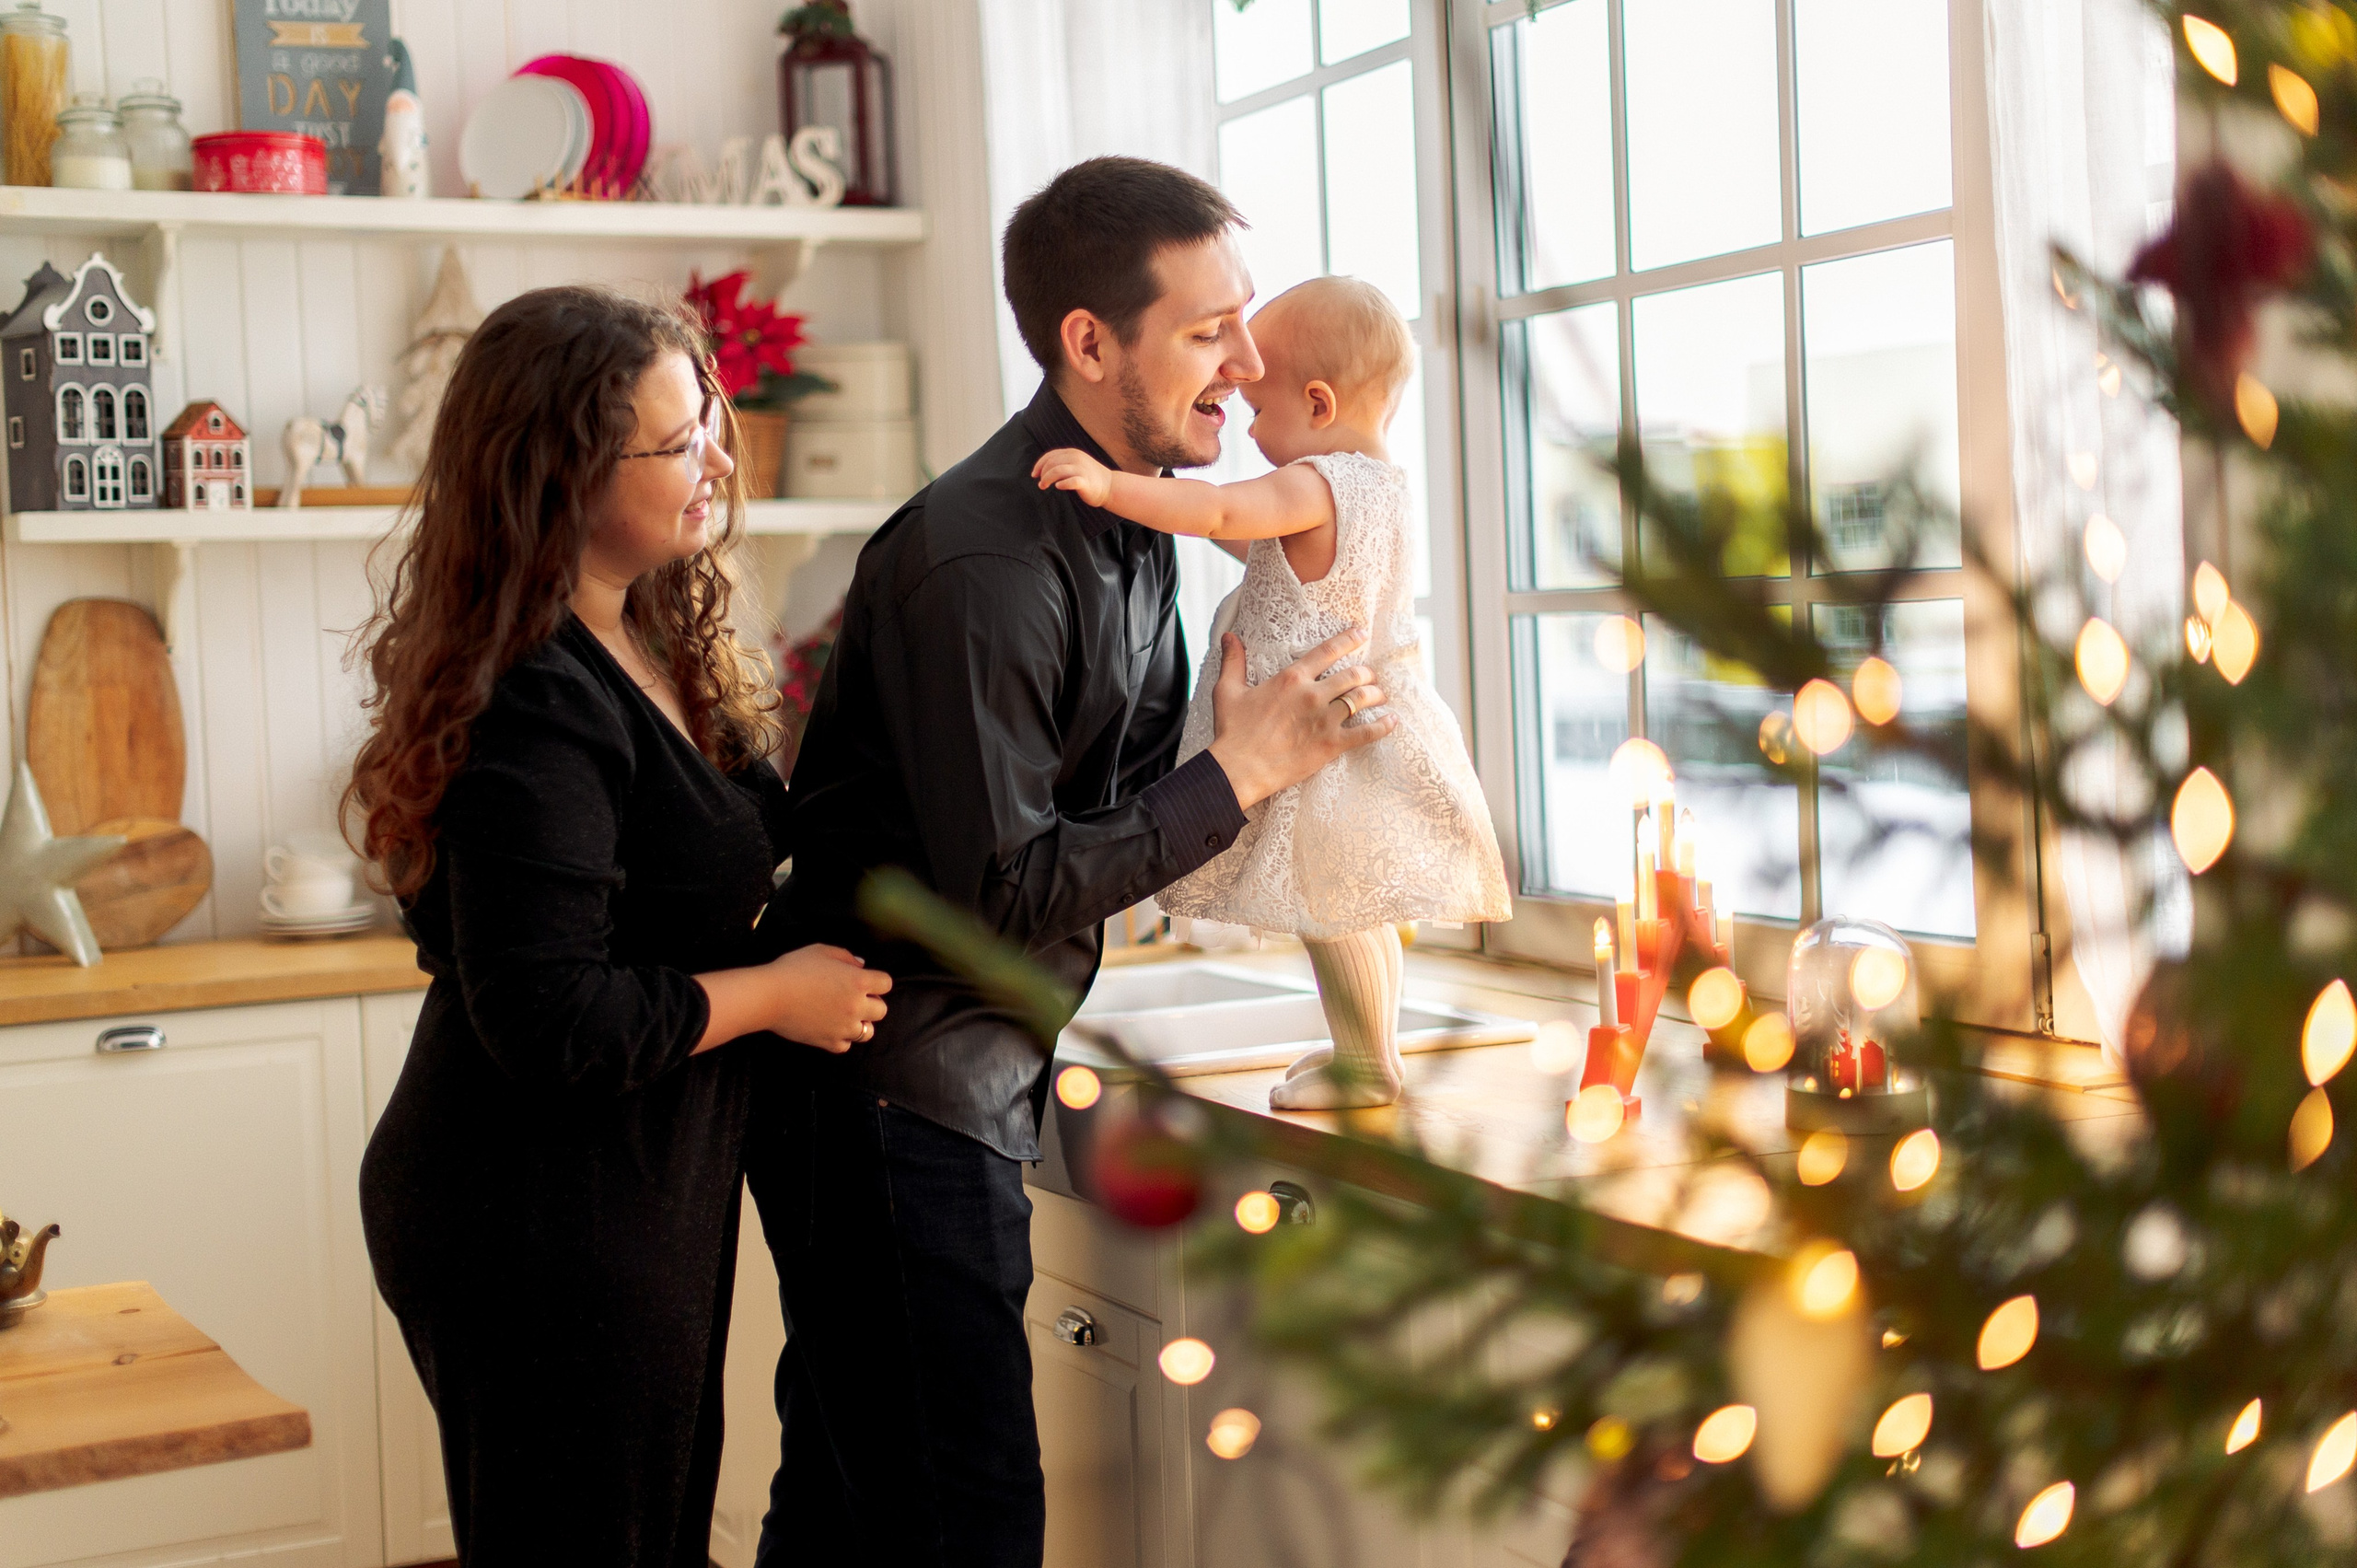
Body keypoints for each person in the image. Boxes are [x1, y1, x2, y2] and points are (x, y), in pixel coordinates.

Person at [745, 157, 1397, 1564]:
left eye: (1246, 320)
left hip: (937, 1083)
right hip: (886, 1097)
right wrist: (1239, 774)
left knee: (855, 1509)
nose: (1250, 357)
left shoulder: (1131, 515)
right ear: (1087, 343)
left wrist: (1214, 768)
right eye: (1209, 327)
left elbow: (1052, 813)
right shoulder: (984, 560)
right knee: (960, 1525)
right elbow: (1001, 892)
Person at [346, 285, 893, 1567]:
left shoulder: (642, 628)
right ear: (560, 473)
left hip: (626, 1185)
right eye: (669, 441)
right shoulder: (540, 698)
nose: (710, 458)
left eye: (707, 418)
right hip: (531, 1206)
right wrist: (775, 994)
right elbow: (549, 1016)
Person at [1033, 274, 1511, 1108]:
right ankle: (1367, 1048)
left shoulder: (1317, 480)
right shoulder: (1383, 488)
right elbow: (1270, 561)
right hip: (1355, 717)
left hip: (1312, 733)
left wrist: (1112, 487)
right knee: (1351, 911)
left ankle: (1366, 1062)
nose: (1248, 427)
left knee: (1336, 915)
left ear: (1319, 404)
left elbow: (1219, 514)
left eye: (1260, 408)